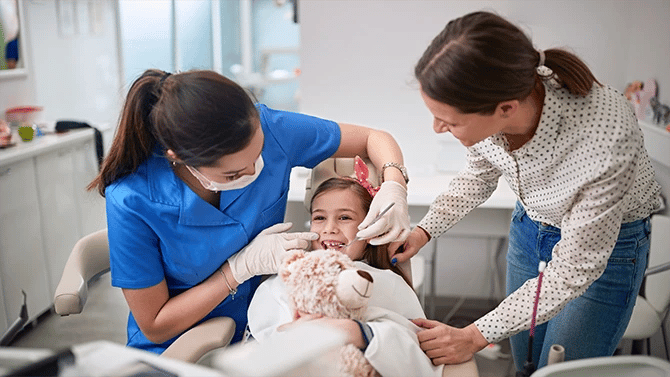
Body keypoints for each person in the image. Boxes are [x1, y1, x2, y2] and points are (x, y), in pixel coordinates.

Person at [389, 10, 664, 370]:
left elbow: (572, 270)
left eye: (450, 121)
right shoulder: (497, 100)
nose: (438, 128)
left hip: (605, 249)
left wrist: (472, 336)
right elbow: (479, 175)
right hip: (529, 227)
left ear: (505, 109)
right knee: (526, 364)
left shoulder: (606, 137)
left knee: (559, 371)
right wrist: (424, 230)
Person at [88, 69, 411, 354]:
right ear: (178, 157)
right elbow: (155, 324)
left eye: (258, 156)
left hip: (263, 328)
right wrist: (237, 270)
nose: (254, 172)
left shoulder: (271, 128)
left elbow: (374, 138)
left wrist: (394, 183)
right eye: (233, 175)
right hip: (179, 346)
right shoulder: (131, 198)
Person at [248, 174, 443, 376]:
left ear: (371, 229)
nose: (329, 229)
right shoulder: (289, 278)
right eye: (319, 218)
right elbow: (262, 344)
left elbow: (413, 351)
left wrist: (356, 332)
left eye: (344, 218)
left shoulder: (389, 283)